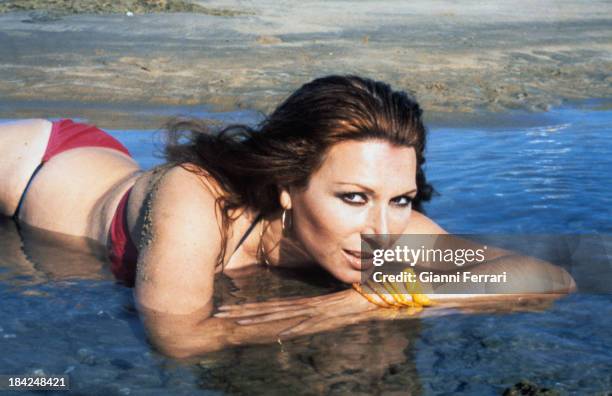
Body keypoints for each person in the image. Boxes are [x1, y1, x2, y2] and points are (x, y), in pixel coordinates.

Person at [0, 75, 575, 358]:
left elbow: (546, 279)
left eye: (400, 198)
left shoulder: (384, 234)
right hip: (34, 168)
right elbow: (178, 340)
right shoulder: (196, 197)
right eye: (352, 196)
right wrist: (334, 312)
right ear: (287, 188)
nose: (381, 226)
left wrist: (366, 298)